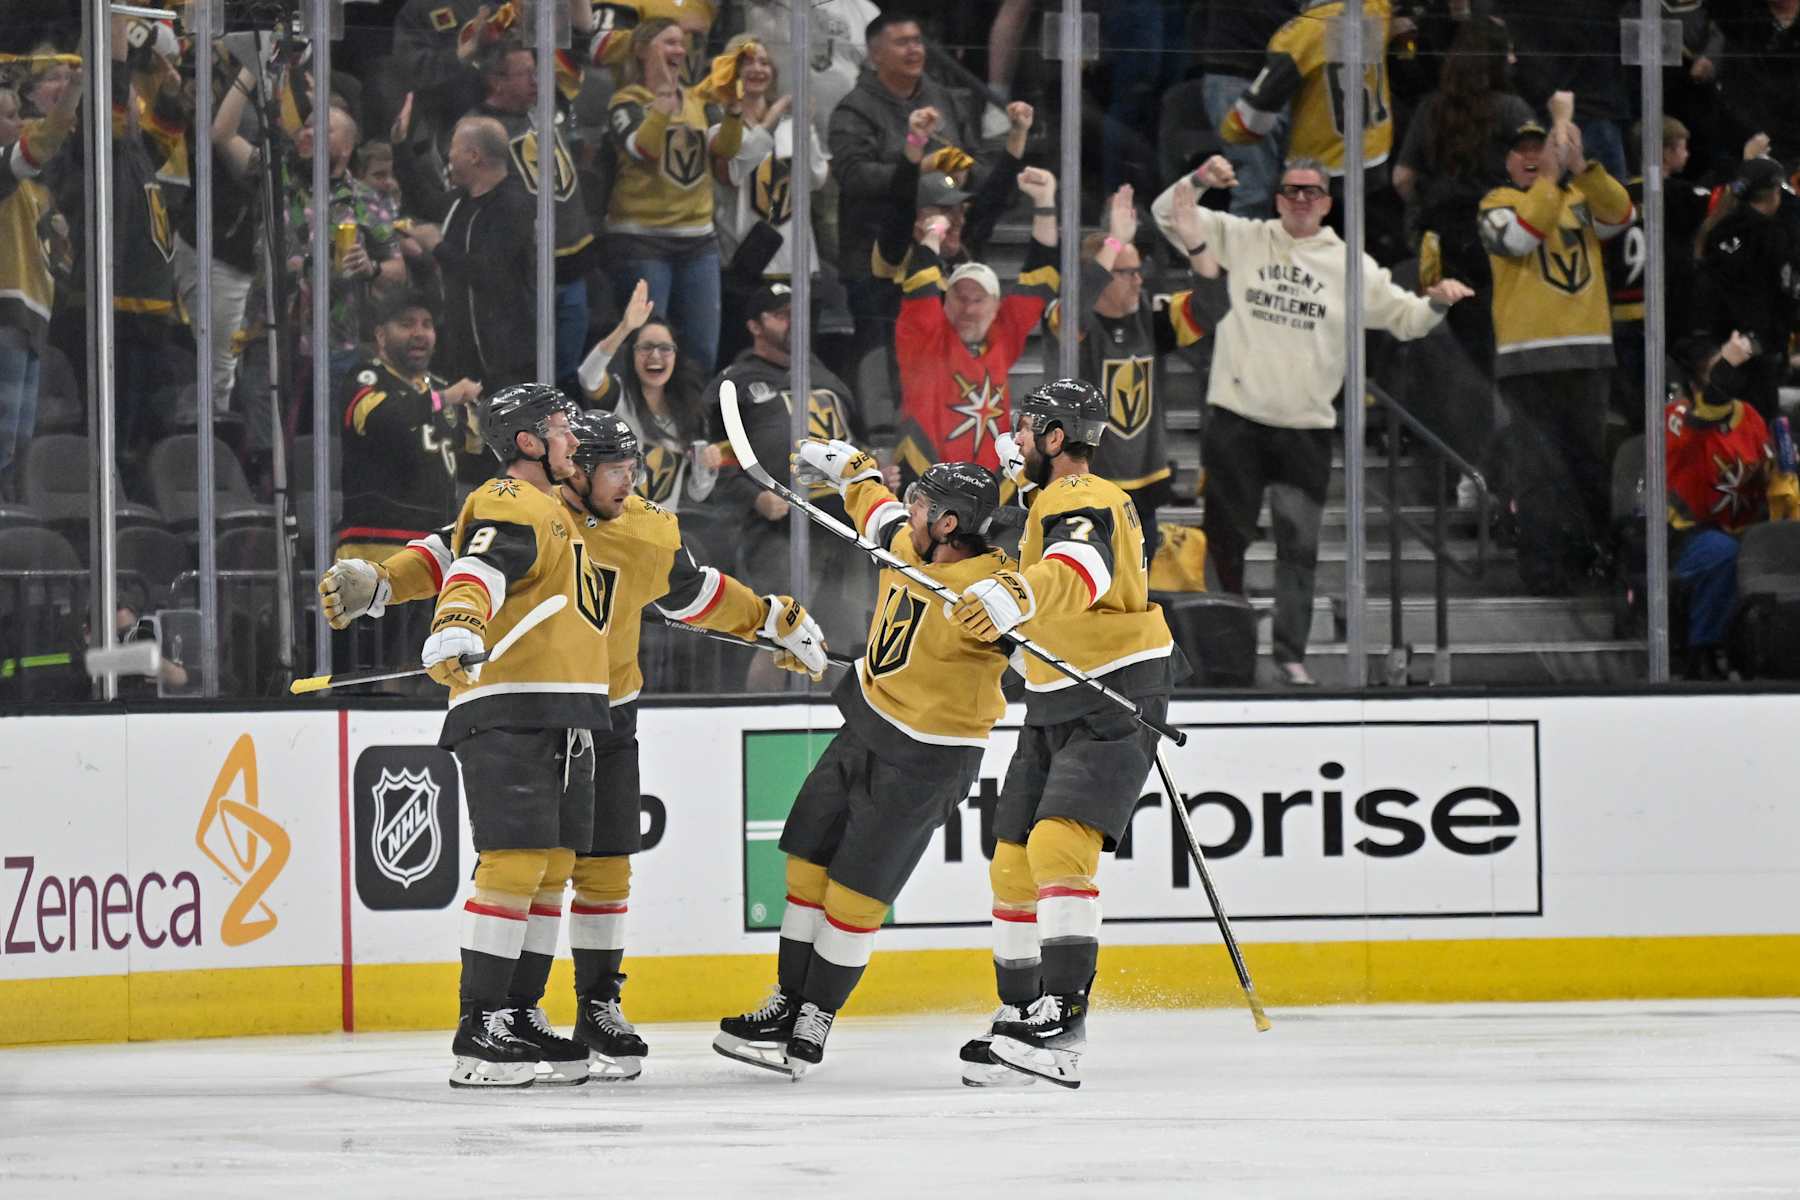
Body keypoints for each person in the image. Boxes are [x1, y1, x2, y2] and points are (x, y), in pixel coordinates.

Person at [327, 407, 828, 1077]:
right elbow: (460, 554)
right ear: (576, 469)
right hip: (527, 700)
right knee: (522, 862)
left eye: (633, 467)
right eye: (615, 470)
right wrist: (390, 584)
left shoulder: (645, 527)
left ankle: (581, 1008)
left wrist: (769, 621)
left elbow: (693, 592)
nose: (630, 482)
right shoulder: (529, 507)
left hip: (603, 712)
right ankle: (489, 1019)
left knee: (590, 866)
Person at [716, 447, 1013, 1078]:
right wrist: (854, 469)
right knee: (807, 862)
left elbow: (1043, 627)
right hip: (863, 728)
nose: (911, 509)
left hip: (928, 759)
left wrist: (1021, 615)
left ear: (950, 524)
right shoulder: (908, 543)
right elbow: (876, 510)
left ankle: (815, 1018)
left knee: (857, 894)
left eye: (923, 505)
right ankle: (786, 1005)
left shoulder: (990, 593)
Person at [1152, 156, 1473, 684]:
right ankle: (1225, 653)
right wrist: (1201, 179)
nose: (1301, 199)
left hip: (1306, 428)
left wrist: (1436, 304)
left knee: (1298, 549)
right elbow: (1168, 212)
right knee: (1224, 542)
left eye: (1312, 192)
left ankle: (1289, 656)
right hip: (1235, 419)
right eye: (1292, 190)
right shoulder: (1244, 237)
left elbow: (1405, 318)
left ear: (1327, 203)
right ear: (1278, 198)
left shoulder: (1350, 265)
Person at [946, 379, 1178, 1089]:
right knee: (1013, 863)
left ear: (1054, 438)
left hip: (1114, 692)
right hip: (1059, 692)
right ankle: (1020, 1017)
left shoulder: (1080, 495)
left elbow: (1083, 566)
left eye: (1025, 429)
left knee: (1057, 846)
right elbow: (1051, 547)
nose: (1013, 439)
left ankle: (1064, 1021)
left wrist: (1015, 593)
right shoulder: (1054, 496)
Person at [420, 382, 610, 1088]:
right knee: (515, 862)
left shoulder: (560, 511)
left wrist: (384, 581)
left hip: (563, 711)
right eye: (561, 428)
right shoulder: (509, 497)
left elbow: (444, 554)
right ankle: (479, 1029)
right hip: (510, 706)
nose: (573, 439)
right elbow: (479, 564)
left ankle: (519, 1013)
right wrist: (457, 621)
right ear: (528, 442)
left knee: (551, 867)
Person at [1478, 119, 1635, 595]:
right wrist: (1550, 178)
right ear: (1507, 162)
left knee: (1588, 464)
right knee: (1538, 470)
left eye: (1541, 148)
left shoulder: (1580, 197)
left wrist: (1582, 167)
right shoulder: (1496, 204)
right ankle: (1544, 572)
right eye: (1522, 150)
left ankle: (1592, 561)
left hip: (1588, 353)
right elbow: (1520, 237)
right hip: (1527, 359)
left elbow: (1621, 214)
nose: (1532, 156)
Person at [1042, 184, 1223, 557]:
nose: (1139, 280)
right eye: (1126, 273)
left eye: (1139, 271)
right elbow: (1075, 310)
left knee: (1138, 586)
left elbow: (1212, 307)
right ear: (1101, 275)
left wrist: (1195, 243)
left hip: (1144, 486)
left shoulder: (1149, 315)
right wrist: (1113, 242)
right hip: (1083, 488)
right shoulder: (1069, 321)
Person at [706, 282, 866, 655]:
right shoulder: (734, 383)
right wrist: (755, 497)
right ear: (754, 326)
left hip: (842, 527)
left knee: (845, 642)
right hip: (779, 533)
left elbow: (857, 437)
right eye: (780, 315)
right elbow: (712, 461)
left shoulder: (825, 376)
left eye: (797, 313)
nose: (793, 322)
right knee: (782, 641)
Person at [891, 167, 1060, 485]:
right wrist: (934, 233)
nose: (968, 308)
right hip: (927, 478)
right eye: (960, 297)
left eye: (978, 299)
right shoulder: (924, 338)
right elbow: (919, 283)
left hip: (990, 482)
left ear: (996, 307)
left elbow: (1041, 279)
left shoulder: (1002, 336)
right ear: (944, 302)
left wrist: (1045, 202)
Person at [830, 11, 980, 361]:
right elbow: (854, 176)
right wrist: (919, 168)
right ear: (876, 54)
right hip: (876, 261)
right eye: (902, 43)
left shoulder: (943, 98)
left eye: (917, 41)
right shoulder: (853, 109)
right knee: (883, 363)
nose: (914, 50)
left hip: (941, 252)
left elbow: (976, 157)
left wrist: (964, 173)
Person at [604, 17, 745, 372]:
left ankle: (692, 407)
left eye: (682, 43)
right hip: (642, 240)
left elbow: (725, 149)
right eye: (668, 42)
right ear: (641, 49)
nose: (679, 50)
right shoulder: (626, 101)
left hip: (698, 241)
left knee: (701, 350)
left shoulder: (697, 99)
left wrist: (733, 111)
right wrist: (663, 107)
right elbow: (644, 149)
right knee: (648, 347)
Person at [1665, 332, 1800, 678]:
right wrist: (1727, 364)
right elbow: (1705, 416)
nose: (1729, 377)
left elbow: (1767, 471)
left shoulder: (1749, 415)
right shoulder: (1677, 414)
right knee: (1724, 553)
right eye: (1718, 371)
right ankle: (1703, 651)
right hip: (1688, 536)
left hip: (1746, 531)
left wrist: (1780, 474)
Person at [472, 41, 597, 386]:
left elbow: (579, 41)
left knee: (569, 376)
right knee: (530, 376)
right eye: (526, 73)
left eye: (538, 72)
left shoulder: (546, 107)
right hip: (525, 274)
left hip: (573, 264)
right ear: (497, 81)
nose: (537, 80)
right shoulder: (479, 128)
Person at [334, 292, 484, 567]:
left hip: (437, 545)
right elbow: (388, 420)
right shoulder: (365, 379)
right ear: (381, 335)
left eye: (427, 324)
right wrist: (444, 399)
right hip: (376, 544)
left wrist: (482, 416)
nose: (419, 333)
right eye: (406, 324)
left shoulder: (440, 386)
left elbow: (476, 452)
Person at [410, 115, 537, 391]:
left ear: (474, 156)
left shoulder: (512, 205)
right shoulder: (462, 201)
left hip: (505, 361)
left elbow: (487, 272)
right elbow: (424, 201)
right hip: (463, 355)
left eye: (454, 148)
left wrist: (437, 247)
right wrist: (399, 147)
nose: (448, 156)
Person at [577, 279, 721, 512]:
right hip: (614, 526)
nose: (655, 356)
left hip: (660, 529)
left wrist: (708, 469)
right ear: (631, 355)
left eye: (665, 348)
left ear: (676, 356)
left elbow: (697, 494)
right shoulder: (618, 397)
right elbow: (587, 376)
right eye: (645, 347)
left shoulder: (690, 411)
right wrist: (625, 328)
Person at [0, 74, 78, 501]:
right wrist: (75, 90)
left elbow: (57, 260)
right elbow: (44, 140)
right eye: (10, 116)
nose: (19, 123)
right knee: (4, 444)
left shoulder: (32, 188)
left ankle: (12, 521)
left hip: (30, 321)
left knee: (20, 445)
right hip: (7, 318)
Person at [1693, 155, 1800, 422]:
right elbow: (1784, 293)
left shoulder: (1716, 230)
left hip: (1719, 348)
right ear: (1774, 193)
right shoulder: (1773, 236)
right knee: (1757, 427)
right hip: (1757, 350)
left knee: (1724, 425)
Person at [1197, 0, 1299, 218]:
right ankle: (1244, 241)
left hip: (1286, 75)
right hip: (1239, 73)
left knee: (1294, 187)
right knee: (1255, 190)